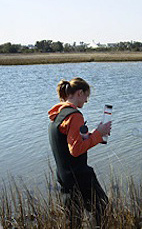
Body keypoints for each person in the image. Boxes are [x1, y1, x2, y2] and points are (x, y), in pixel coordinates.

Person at [48, 77, 111, 228]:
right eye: (86, 96)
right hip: (79, 175)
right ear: (79, 93)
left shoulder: (58, 114)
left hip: (64, 175)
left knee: (73, 219)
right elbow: (75, 150)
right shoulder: (75, 116)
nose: (86, 101)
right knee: (102, 207)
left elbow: (70, 142)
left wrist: (93, 135)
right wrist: (98, 134)